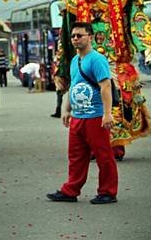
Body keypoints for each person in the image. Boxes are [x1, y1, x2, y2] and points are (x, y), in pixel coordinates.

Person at [54, 0, 151, 160]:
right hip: (86, 62)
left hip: (114, 60)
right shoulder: (73, 0)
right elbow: (65, 38)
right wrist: (61, 69)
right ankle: (92, 146)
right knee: (88, 104)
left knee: (116, 104)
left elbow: (137, 23)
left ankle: (113, 146)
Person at [47, 22, 118, 204]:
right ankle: (70, 190)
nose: (76, 39)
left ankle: (108, 192)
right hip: (78, 117)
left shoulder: (97, 59)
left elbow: (105, 86)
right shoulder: (74, 60)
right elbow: (74, 86)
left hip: (95, 116)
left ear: (91, 37)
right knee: (76, 156)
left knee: (104, 156)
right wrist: (66, 109)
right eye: (73, 36)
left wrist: (107, 114)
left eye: (80, 35)